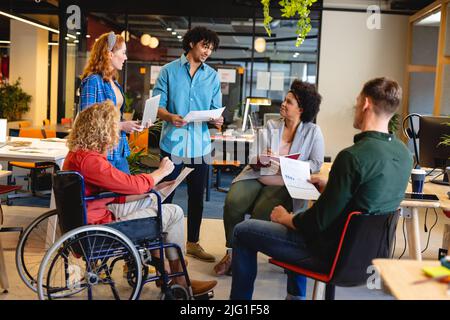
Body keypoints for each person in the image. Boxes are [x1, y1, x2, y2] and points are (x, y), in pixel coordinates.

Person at [229, 77, 413, 300]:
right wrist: (331, 187)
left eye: (356, 102)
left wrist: (285, 218)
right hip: (369, 257)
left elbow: (315, 222)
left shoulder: (351, 157)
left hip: (328, 252)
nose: (355, 108)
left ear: (365, 103)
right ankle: (295, 296)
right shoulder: (404, 155)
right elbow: (366, 203)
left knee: (243, 230)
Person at [63, 101, 217, 296]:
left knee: (153, 200)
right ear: (102, 130)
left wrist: (151, 189)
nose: (117, 131)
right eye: (114, 125)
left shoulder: (78, 155)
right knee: (174, 212)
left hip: (93, 215)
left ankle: (165, 271)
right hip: (100, 227)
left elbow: (114, 191)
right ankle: (177, 277)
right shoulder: (91, 161)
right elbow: (129, 184)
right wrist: (160, 173)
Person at [214, 80, 325, 292]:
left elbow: (316, 163)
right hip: (258, 174)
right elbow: (254, 155)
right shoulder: (271, 125)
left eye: (289, 102)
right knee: (233, 203)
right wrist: (263, 159)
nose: (283, 104)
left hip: (285, 180)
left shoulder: (313, 132)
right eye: (284, 100)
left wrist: (287, 165)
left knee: (259, 214)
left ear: (301, 109)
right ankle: (231, 253)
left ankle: (246, 255)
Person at [153, 26, 222, 262]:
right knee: (166, 195)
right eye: (205, 46)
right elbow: (157, 107)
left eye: (211, 49)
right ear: (192, 43)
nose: (207, 52)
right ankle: (158, 245)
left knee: (196, 196)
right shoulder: (169, 71)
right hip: (173, 143)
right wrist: (170, 116)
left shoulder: (212, 76)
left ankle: (193, 242)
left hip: (200, 145)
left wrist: (218, 119)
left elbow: (215, 110)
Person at [80, 31, 144, 174]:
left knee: (127, 192)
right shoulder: (93, 81)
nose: (126, 57)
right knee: (113, 194)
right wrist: (121, 126)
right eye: (123, 52)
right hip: (102, 151)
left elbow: (114, 117)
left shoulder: (114, 82)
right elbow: (87, 122)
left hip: (118, 150)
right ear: (109, 54)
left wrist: (133, 125)